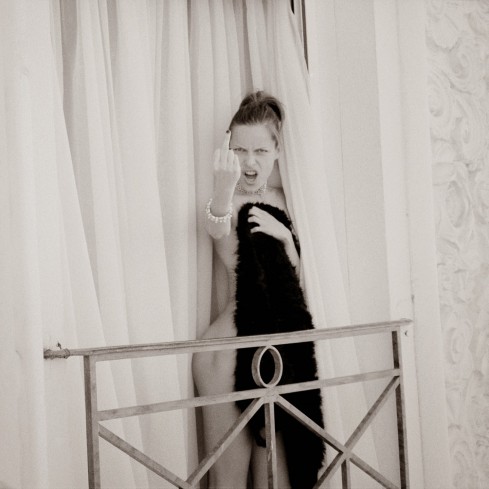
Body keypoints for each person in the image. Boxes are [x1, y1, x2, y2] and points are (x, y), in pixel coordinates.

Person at [193, 91, 323, 489]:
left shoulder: (290, 199)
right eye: (239, 150)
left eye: (260, 151)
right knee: (229, 481)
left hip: (281, 351)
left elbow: (301, 280)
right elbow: (216, 227)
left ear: (278, 151)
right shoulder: (226, 201)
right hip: (230, 350)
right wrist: (222, 187)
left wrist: (286, 239)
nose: (249, 162)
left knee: (278, 480)